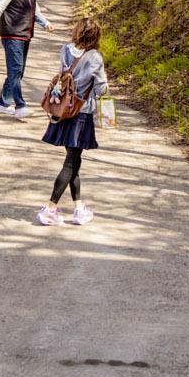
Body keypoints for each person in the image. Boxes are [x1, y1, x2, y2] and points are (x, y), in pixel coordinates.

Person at [37, 17, 106, 226]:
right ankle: (50, 207)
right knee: (70, 163)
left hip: (64, 110)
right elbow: (101, 89)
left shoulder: (66, 49)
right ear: (96, 36)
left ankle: (79, 208)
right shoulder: (95, 57)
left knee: (74, 161)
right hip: (81, 113)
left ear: (77, 32)